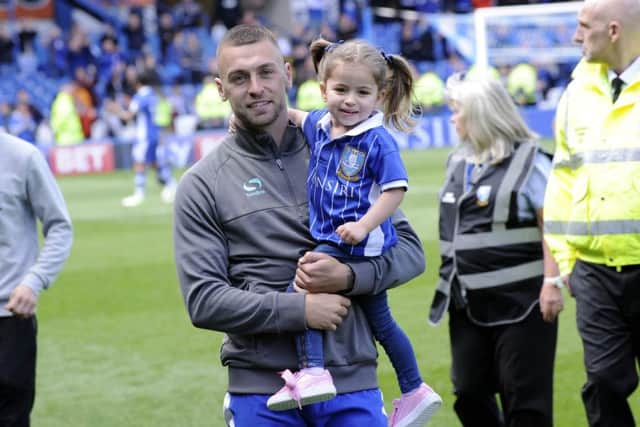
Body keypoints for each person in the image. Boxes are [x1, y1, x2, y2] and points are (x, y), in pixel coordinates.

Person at [173, 24, 426, 427]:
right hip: (261, 390)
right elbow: (204, 300)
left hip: (352, 380)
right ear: (221, 89)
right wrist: (300, 309)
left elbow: (411, 252)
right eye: (240, 78)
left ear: (288, 74)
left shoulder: (348, 145)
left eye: (266, 72)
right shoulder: (202, 183)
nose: (255, 87)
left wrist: (348, 275)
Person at [264, 37, 442, 427]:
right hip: (346, 238)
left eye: (362, 93)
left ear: (379, 96)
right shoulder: (324, 125)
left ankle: (313, 370)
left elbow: (396, 189)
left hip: (355, 241)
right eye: (341, 90)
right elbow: (294, 116)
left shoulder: (376, 139)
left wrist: (364, 226)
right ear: (323, 89)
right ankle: (414, 389)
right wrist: (254, 116)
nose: (350, 101)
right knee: (382, 323)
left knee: (305, 283)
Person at [429, 74, 562, 427]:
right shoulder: (458, 162)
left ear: (481, 114)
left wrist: (553, 281)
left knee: (525, 401)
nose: (452, 118)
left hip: (524, 302)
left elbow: (552, 225)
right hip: (467, 302)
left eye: (457, 110)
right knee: (469, 392)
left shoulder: (531, 161)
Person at [543, 0, 640, 425]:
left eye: (584, 26)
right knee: (602, 381)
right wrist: (566, 262)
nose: (576, 36)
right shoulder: (576, 92)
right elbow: (563, 178)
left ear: (614, 31)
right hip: (594, 271)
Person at [0, 132, 73, 426]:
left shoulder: (22, 157)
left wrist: (34, 280)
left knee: (10, 417)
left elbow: (60, 227)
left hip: (9, 317)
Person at [115, 70, 177, 207]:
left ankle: (139, 194)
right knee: (154, 162)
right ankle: (171, 185)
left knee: (139, 161)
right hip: (155, 132)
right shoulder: (154, 94)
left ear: (137, 82)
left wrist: (115, 110)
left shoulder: (140, 96)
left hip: (145, 136)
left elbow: (129, 115)